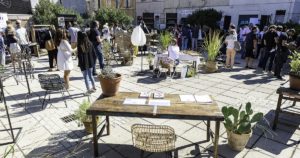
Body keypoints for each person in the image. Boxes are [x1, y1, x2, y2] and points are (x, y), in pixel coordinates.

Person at [77, 31, 96, 95]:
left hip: (84, 63)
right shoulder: (90, 43)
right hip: (91, 62)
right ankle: (94, 87)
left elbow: (80, 57)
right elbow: (94, 54)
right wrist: (93, 62)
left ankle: (88, 90)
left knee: (85, 77)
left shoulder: (80, 46)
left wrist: (80, 65)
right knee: (90, 75)